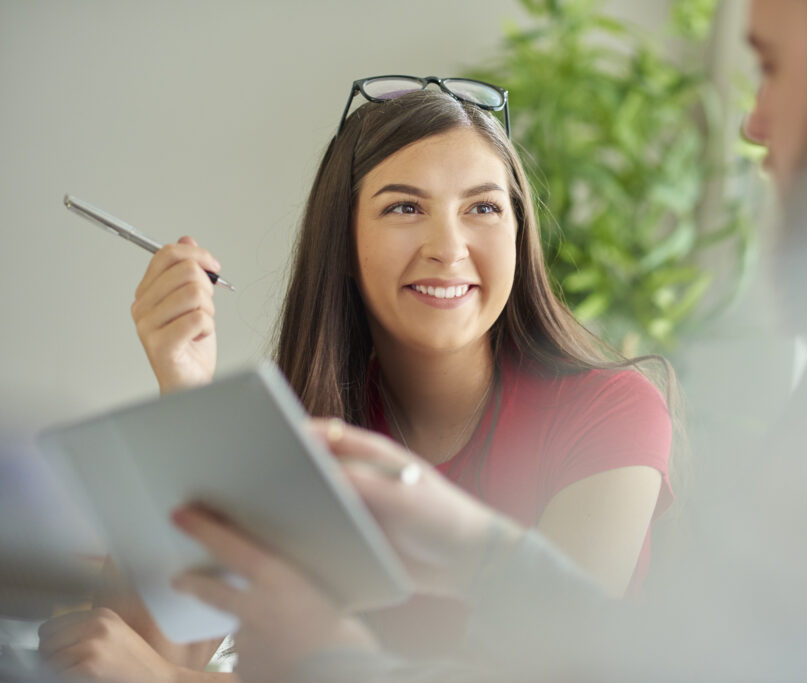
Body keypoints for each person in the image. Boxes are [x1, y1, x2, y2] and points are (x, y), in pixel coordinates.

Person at [167, 0, 807, 679]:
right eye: (402, 206)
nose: (753, 124)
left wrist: (325, 657)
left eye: (769, 64)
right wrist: (481, 551)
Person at [35, 80, 676, 680]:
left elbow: (540, 672)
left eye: (482, 206)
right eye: (404, 207)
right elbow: (149, 647)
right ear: (344, 243)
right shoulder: (304, 420)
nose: (448, 246)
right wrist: (185, 391)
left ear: (518, 232)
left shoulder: (613, 413)